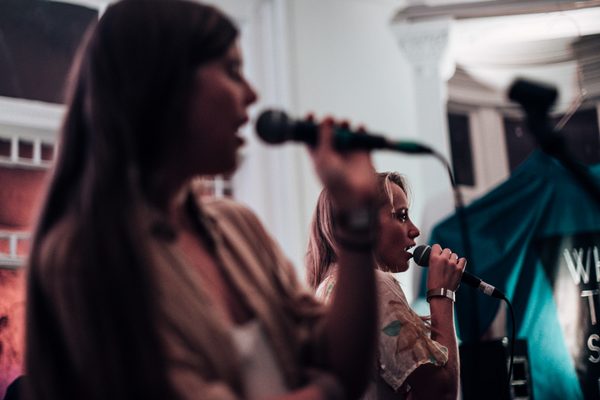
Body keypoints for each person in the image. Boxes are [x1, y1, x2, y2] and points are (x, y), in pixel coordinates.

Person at [24, 0, 380, 399]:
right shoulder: (86, 258)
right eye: (232, 70)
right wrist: (330, 390)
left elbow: (337, 359)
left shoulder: (237, 225)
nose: (251, 94)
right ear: (164, 83)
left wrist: (355, 217)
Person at [306, 172, 465, 400]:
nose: (415, 230)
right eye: (401, 216)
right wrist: (443, 294)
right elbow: (442, 393)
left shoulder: (327, 290)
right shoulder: (373, 286)